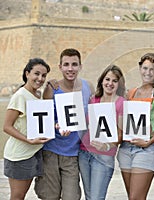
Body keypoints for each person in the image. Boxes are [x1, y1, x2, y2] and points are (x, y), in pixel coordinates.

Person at [34, 48, 94, 200]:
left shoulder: (88, 87)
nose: (70, 68)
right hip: (51, 151)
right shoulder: (51, 89)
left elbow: (94, 116)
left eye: (74, 64)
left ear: (80, 66)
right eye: (66, 64)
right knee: (50, 196)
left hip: (73, 153)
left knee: (71, 196)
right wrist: (56, 125)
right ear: (60, 67)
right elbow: (44, 118)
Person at [117, 53, 154, 200]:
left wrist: (149, 141)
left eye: (152, 69)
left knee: (136, 197)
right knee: (132, 197)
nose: (148, 72)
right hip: (126, 149)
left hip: (147, 148)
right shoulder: (132, 93)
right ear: (140, 68)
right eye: (145, 68)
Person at [3, 58, 51, 200]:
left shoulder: (37, 95)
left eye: (43, 75)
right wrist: (28, 140)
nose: (40, 78)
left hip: (33, 153)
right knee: (17, 197)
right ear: (27, 73)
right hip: (19, 155)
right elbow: (6, 126)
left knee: (22, 195)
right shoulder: (20, 96)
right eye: (36, 74)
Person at [79, 64, 126, 200]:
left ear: (119, 84)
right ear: (102, 81)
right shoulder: (93, 100)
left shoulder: (121, 103)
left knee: (96, 198)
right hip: (84, 153)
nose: (110, 83)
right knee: (89, 197)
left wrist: (107, 146)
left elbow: (120, 134)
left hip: (103, 156)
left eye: (114, 81)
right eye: (107, 79)